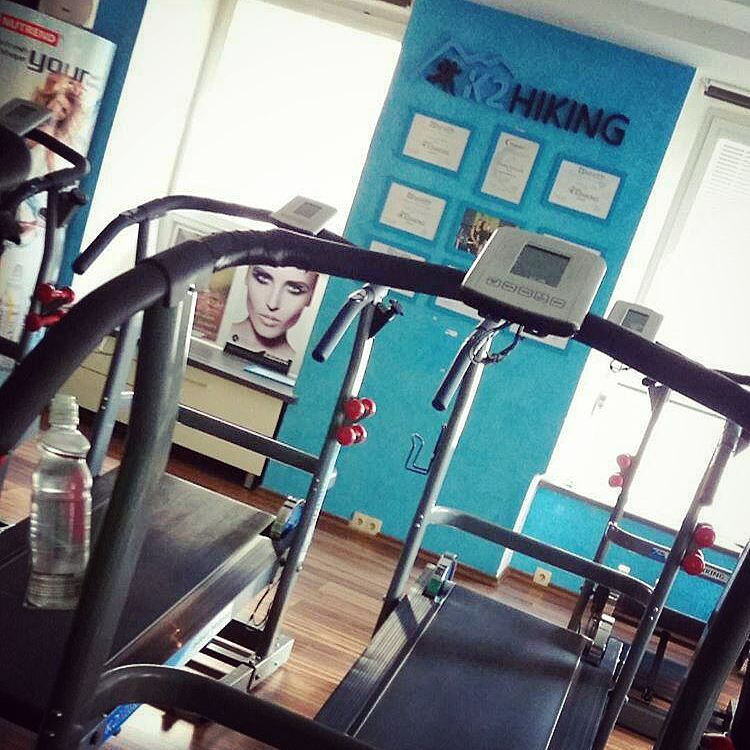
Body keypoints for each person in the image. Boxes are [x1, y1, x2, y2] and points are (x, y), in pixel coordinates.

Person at [230, 264, 318, 363]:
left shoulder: (304, 364)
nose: (272, 304)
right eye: (262, 279)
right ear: (246, 275)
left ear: (311, 296)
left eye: (295, 289)